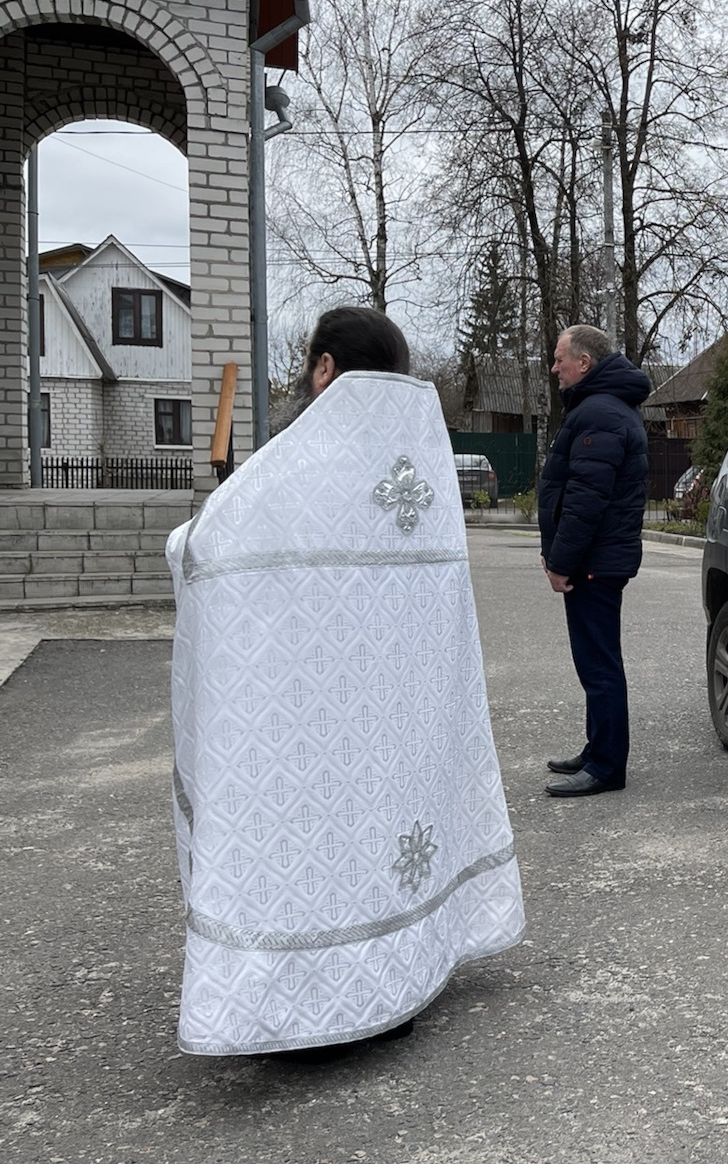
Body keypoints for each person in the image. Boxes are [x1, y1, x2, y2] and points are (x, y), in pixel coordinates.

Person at [166, 307, 525, 1057]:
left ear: (325, 367)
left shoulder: (294, 465)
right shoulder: (420, 475)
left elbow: (206, 546)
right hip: (400, 713)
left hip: (310, 713)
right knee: (388, 820)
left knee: (317, 833)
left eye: (309, 366)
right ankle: (400, 977)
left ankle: (305, 1006)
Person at [538, 324, 652, 797]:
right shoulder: (600, 408)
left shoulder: (600, 413)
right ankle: (597, 748)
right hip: (596, 559)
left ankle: (607, 766)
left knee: (600, 663)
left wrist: (560, 561)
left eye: (560, 358)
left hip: (593, 562)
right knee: (594, 660)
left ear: (584, 363)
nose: (555, 367)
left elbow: (586, 499)